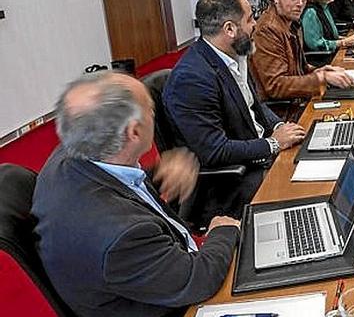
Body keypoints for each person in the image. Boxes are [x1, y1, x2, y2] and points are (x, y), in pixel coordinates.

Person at [31, 71, 239, 317]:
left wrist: (156, 174)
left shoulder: (74, 151)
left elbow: (116, 192)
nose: (154, 114)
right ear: (134, 132)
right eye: (151, 109)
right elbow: (197, 280)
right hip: (179, 305)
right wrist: (222, 230)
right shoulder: (121, 235)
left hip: (153, 274)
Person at [163, 0, 306, 227]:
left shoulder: (235, 55)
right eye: (250, 19)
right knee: (309, 198)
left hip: (259, 156)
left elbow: (254, 105)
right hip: (231, 184)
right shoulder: (193, 78)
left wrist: (281, 125)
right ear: (229, 29)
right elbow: (215, 151)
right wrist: (273, 143)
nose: (255, 25)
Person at [251, 0, 354, 107]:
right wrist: (320, 78)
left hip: (300, 100)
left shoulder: (291, 23)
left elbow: (299, 69)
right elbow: (275, 86)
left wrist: (320, 70)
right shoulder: (267, 30)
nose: (300, 3)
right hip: (287, 112)